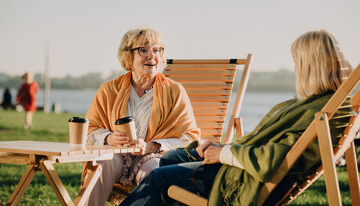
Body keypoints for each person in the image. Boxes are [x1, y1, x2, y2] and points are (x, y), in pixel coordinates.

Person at [119, 30, 354, 206]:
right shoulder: (326, 104)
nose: (294, 69)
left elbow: (275, 158)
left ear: (311, 65)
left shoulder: (324, 112)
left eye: (297, 63)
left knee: (160, 177)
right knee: (170, 157)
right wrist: (223, 147)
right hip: (244, 165)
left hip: (248, 177)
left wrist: (223, 153)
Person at [83, 28, 200, 206]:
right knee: (100, 164)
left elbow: (190, 138)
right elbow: (89, 130)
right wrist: (109, 138)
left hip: (153, 157)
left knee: (154, 172)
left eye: (157, 50)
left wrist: (151, 146)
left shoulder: (175, 91)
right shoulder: (109, 89)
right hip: (116, 154)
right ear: (128, 56)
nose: (151, 55)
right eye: (143, 50)